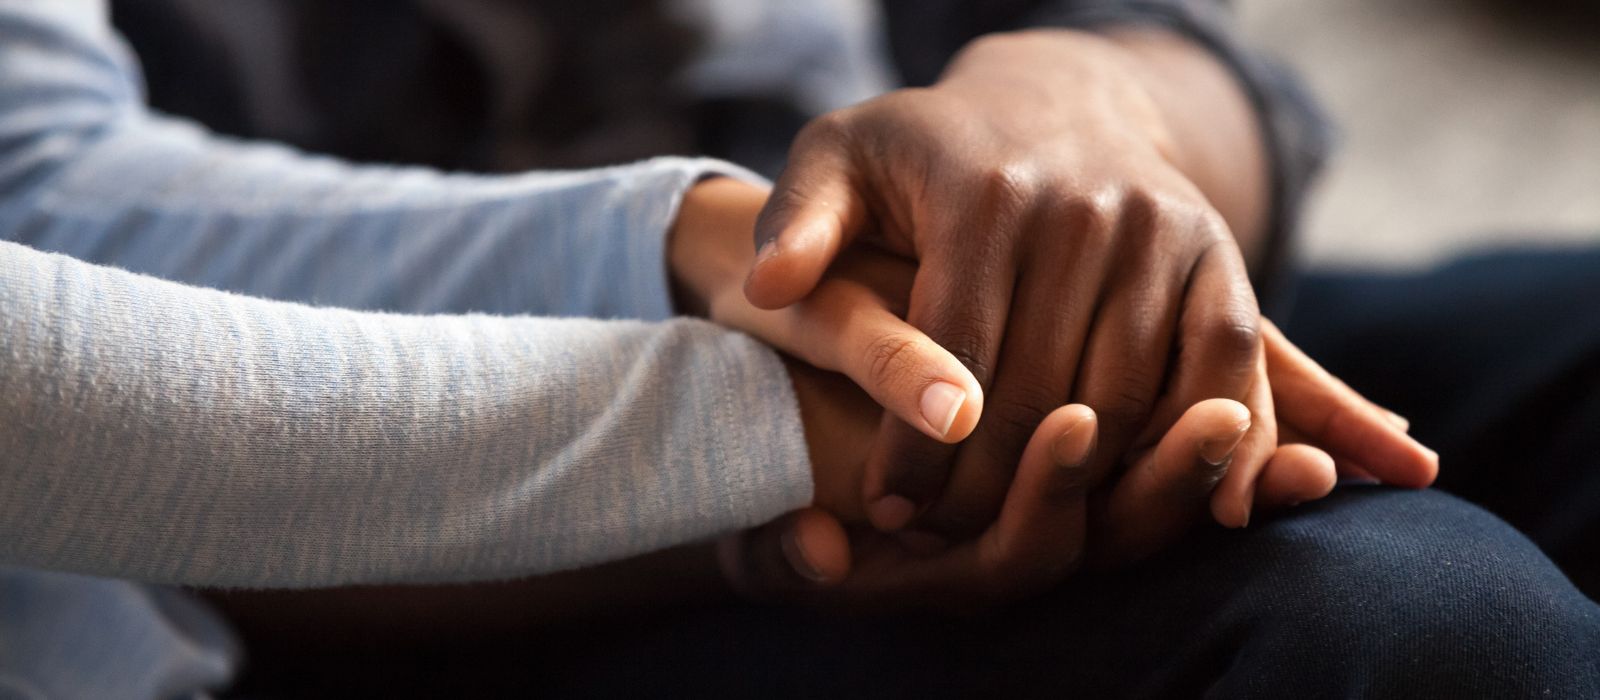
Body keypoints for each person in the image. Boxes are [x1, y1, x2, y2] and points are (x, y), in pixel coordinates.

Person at [0, 1, 1594, 698]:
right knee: (1407, 624)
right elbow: (51, 216)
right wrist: (786, 419)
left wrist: (1086, 117)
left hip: (881, 331)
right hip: (382, 511)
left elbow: (1180, 51)